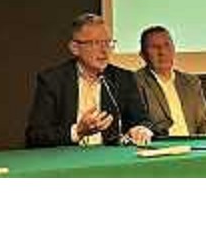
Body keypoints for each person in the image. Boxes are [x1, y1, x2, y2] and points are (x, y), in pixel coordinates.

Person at [25, 13, 153, 148]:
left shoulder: (123, 78)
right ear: (75, 48)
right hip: (68, 157)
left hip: (109, 156)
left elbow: (142, 120)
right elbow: (35, 136)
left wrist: (141, 129)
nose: (105, 51)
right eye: (96, 43)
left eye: (108, 43)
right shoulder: (53, 81)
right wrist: (78, 131)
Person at [135, 26, 206, 136]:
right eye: (155, 47)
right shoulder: (136, 82)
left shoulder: (190, 82)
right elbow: (140, 124)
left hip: (193, 144)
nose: (162, 52)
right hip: (161, 145)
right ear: (142, 54)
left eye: (167, 45)